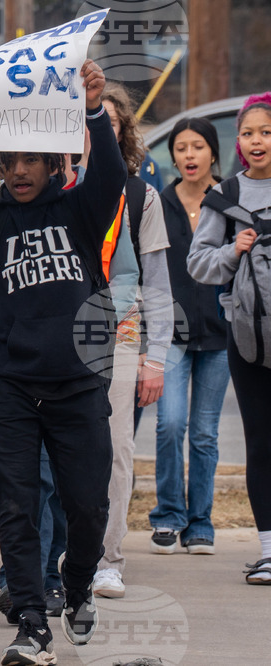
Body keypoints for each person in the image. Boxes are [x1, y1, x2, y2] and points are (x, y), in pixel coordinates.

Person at [0, 60, 125, 664]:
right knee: (15, 507)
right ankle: (32, 621)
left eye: (31, 161)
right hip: (9, 385)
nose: (18, 171)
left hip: (77, 386)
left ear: (55, 163)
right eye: (8, 162)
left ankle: (80, 582)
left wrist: (94, 109)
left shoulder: (82, 211)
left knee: (88, 506)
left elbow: (111, 174)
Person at [92, 84, 173, 598]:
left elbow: (159, 284)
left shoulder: (141, 195)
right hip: (55, 337)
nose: (98, 131)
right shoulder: (51, 189)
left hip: (120, 335)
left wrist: (156, 357)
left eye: (109, 123)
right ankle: (64, 547)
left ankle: (108, 558)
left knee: (116, 447)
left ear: (121, 133)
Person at [187, 93, 271, 586]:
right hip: (248, 338)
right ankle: (267, 550)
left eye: (265, 132)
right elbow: (198, 262)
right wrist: (233, 252)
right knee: (261, 444)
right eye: (248, 133)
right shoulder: (227, 195)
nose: (256, 141)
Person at [147, 117, 231, 559]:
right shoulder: (159, 203)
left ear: (212, 152)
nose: (189, 156)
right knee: (170, 424)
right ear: (173, 156)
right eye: (181, 148)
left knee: (203, 434)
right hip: (171, 334)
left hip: (220, 335)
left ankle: (200, 523)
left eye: (198, 147)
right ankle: (167, 516)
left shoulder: (229, 202)